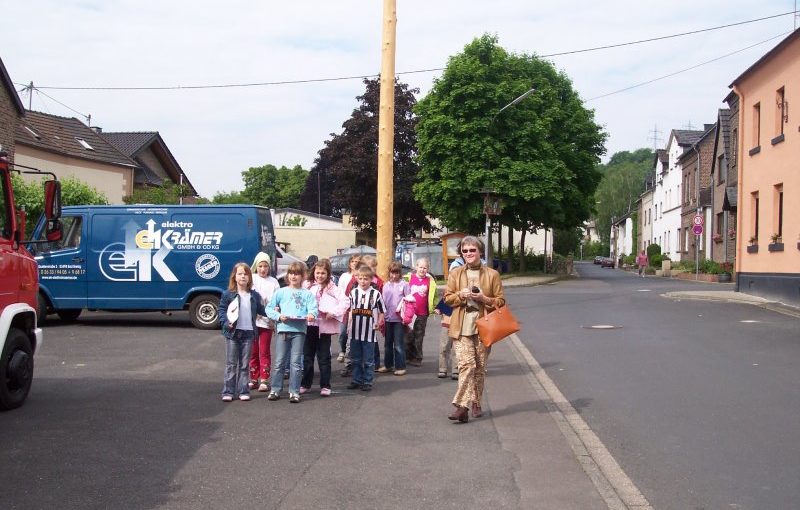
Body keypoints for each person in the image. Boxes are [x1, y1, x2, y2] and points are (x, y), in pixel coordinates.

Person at [443, 236, 505, 423]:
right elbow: (447, 299)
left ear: (480, 252)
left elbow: (501, 302)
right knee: (467, 365)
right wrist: (460, 295)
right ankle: (462, 406)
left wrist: (484, 299)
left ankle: (476, 401)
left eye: (472, 250)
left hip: (484, 325)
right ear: (461, 253)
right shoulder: (456, 273)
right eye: (465, 251)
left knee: (479, 368)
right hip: (461, 326)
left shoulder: (492, 274)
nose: (469, 253)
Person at [264, 262, 318, 403]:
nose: (294, 276)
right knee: (279, 362)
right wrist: (278, 316)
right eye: (291, 273)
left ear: (303, 276)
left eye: (297, 274)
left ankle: (294, 391)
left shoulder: (307, 294)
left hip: (299, 331)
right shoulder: (281, 292)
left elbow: (313, 309)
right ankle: (275, 389)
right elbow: (269, 309)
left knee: (295, 363)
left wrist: (312, 315)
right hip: (283, 330)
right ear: (288, 275)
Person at [218, 262, 268, 402]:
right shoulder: (228, 294)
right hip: (233, 333)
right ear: (234, 277)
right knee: (231, 364)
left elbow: (261, 310)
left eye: (246, 274)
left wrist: (272, 311)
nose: (243, 276)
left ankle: (243, 390)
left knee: (245, 365)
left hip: (248, 333)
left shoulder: (254, 295)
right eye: (240, 274)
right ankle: (228, 391)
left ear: (249, 277)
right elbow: (221, 309)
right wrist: (224, 322)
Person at [301, 259, 349, 397]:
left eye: (323, 273)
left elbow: (345, 301)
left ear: (328, 274)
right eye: (317, 272)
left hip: (324, 328)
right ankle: (306, 384)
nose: (320, 275)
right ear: (313, 272)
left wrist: (333, 312)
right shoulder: (308, 285)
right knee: (307, 357)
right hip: (309, 326)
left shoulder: (333, 288)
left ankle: (325, 385)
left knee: (324, 357)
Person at [346, 265, 385, 391]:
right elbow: (350, 310)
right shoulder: (353, 293)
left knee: (368, 359)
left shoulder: (376, 294)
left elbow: (382, 311)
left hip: (369, 333)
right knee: (355, 358)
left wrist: (379, 322)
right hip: (355, 332)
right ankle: (356, 380)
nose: (363, 281)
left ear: (371, 279)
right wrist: (348, 325)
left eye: (366, 279)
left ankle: (368, 381)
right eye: (361, 278)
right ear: (357, 278)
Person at [249, 252, 280, 392]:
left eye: (265, 266)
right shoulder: (252, 279)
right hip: (251, 322)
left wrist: (275, 313)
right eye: (260, 266)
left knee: (264, 351)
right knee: (252, 351)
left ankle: (264, 379)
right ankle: (253, 378)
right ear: (256, 266)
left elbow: (277, 300)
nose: (263, 269)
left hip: (267, 322)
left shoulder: (274, 282)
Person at [404, 257, 437, 367]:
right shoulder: (408, 278)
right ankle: (408, 357)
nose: (422, 270)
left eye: (425, 268)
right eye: (420, 267)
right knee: (408, 335)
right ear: (416, 267)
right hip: (410, 313)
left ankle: (418, 358)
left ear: (427, 269)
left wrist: (435, 307)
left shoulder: (430, 281)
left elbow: (434, 297)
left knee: (419, 336)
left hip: (422, 313)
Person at [380, 261, 410, 376]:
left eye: (396, 273)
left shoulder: (404, 285)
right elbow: (382, 302)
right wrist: (381, 316)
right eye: (392, 273)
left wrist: (406, 317)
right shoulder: (386, 285)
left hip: (399, 320)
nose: (394, 276)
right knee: (387, 344)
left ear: (400, 273)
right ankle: (388, 365)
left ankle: (401, 366)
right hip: (388, 318)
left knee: (398, 344)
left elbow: (409, 301)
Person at [336, 254, 361, 364]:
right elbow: (340, 291)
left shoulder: (360, 276)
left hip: (355, 307)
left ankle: (349, 355)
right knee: (342, 331)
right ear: (349, 263)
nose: (355, 263)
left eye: (357, 261)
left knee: (353, 333)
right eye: (353, 261)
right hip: (344, 306)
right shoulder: (344, 276)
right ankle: (342, 350)